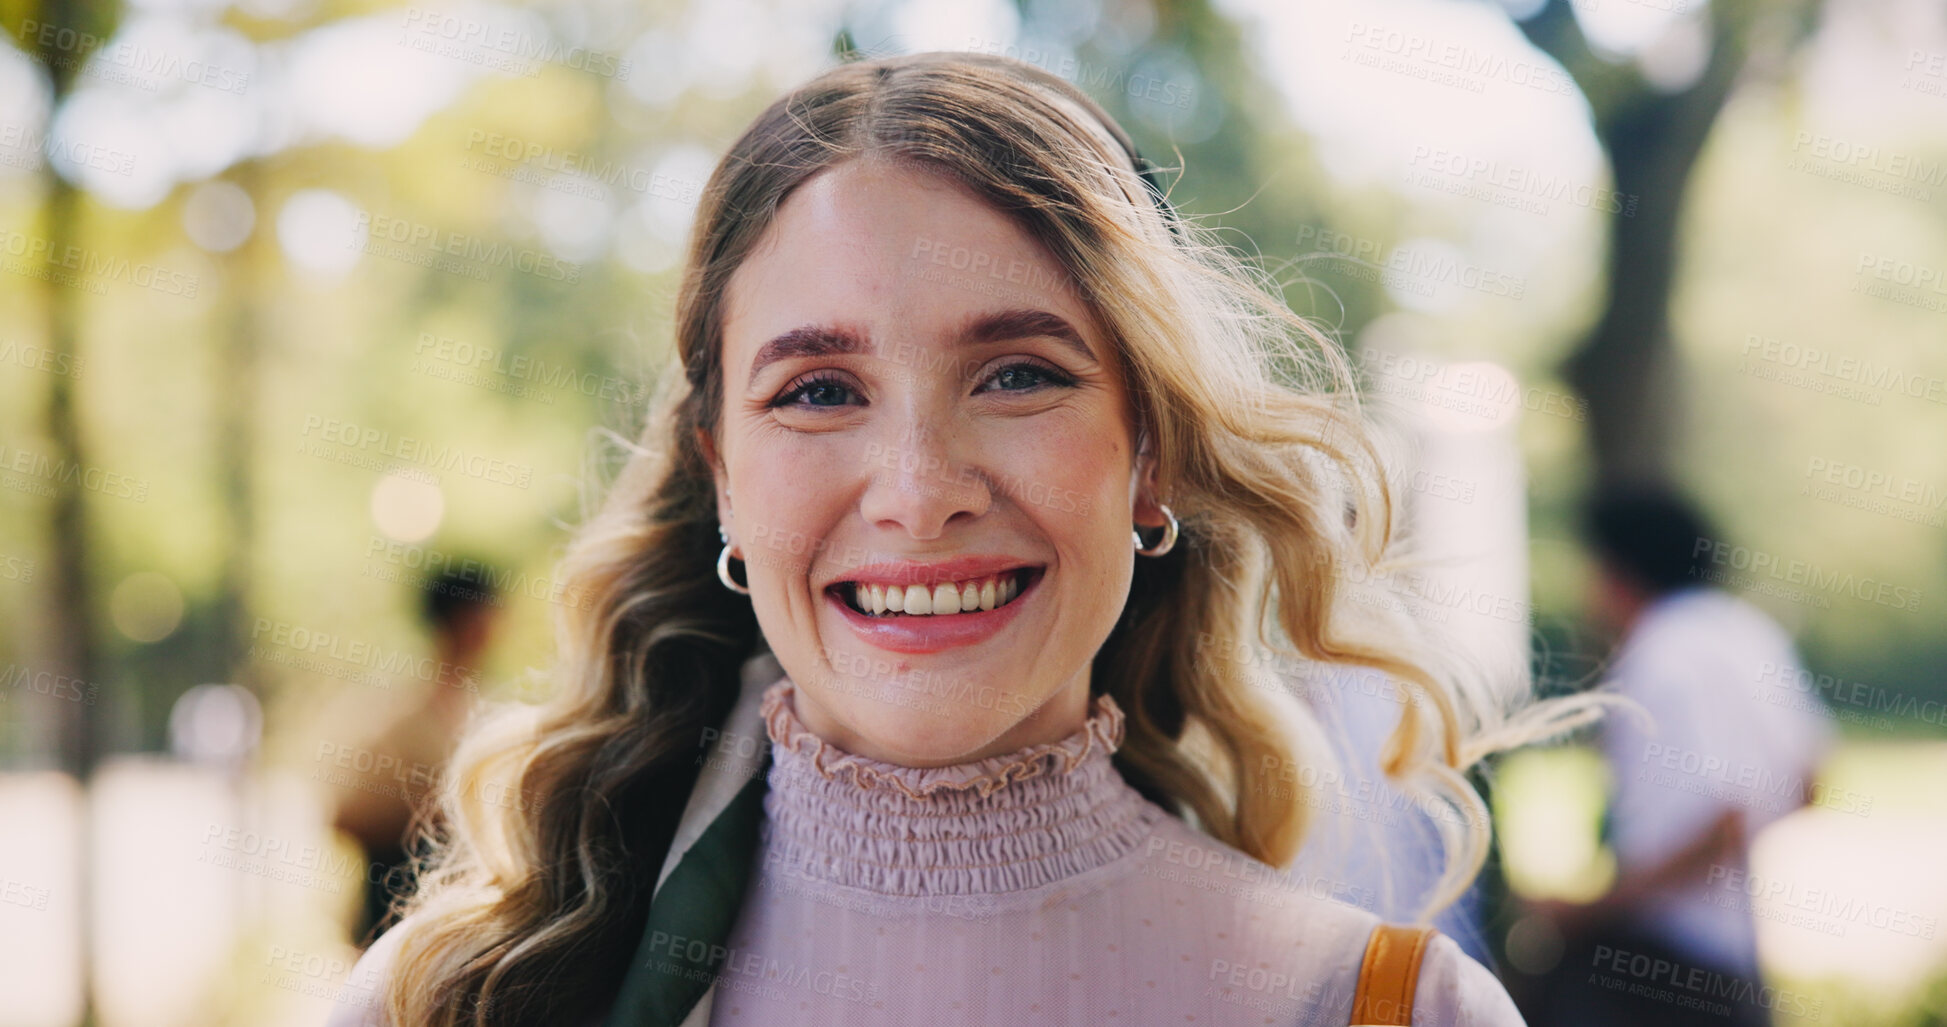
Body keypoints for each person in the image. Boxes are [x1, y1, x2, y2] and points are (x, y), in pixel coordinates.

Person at [328, 51, 1550, 1027]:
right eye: (816, 390)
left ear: (1151, 454)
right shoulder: (447, 1004)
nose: (919, 493)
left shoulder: (1386, 1010)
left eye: (1018, 374)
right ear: (723, 476)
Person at [1518, 486, 1834, 1026]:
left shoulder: (1660, 652)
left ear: (1617, 569)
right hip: (1735, 954)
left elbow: (1721, 821)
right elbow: (1809, 783)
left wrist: (1587, 910)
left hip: (1657, 968)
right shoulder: (1747, 631)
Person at [329, 562, 501, 946]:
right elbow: (342, 816)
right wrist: (425, 815)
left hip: (462, 930)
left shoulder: (491, 715)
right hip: (396, 924)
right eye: (485, 612)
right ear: (460, 620)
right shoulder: (399, 721)